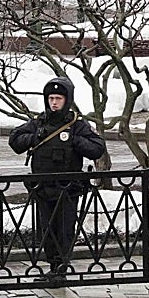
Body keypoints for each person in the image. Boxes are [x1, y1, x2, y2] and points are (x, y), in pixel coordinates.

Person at [9, 76, 105, 285]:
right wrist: (34, 138)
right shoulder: (39, 122)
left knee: (64, 229)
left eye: (58, 99)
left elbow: (97, 148)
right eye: (51, 98)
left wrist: (74, 141)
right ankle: (53, 266)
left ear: (67, 100)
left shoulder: (76, 125)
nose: (54, 103)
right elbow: (15, 141)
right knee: (47, 230)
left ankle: (61, 267)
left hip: (67, 188)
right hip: (43, 187)